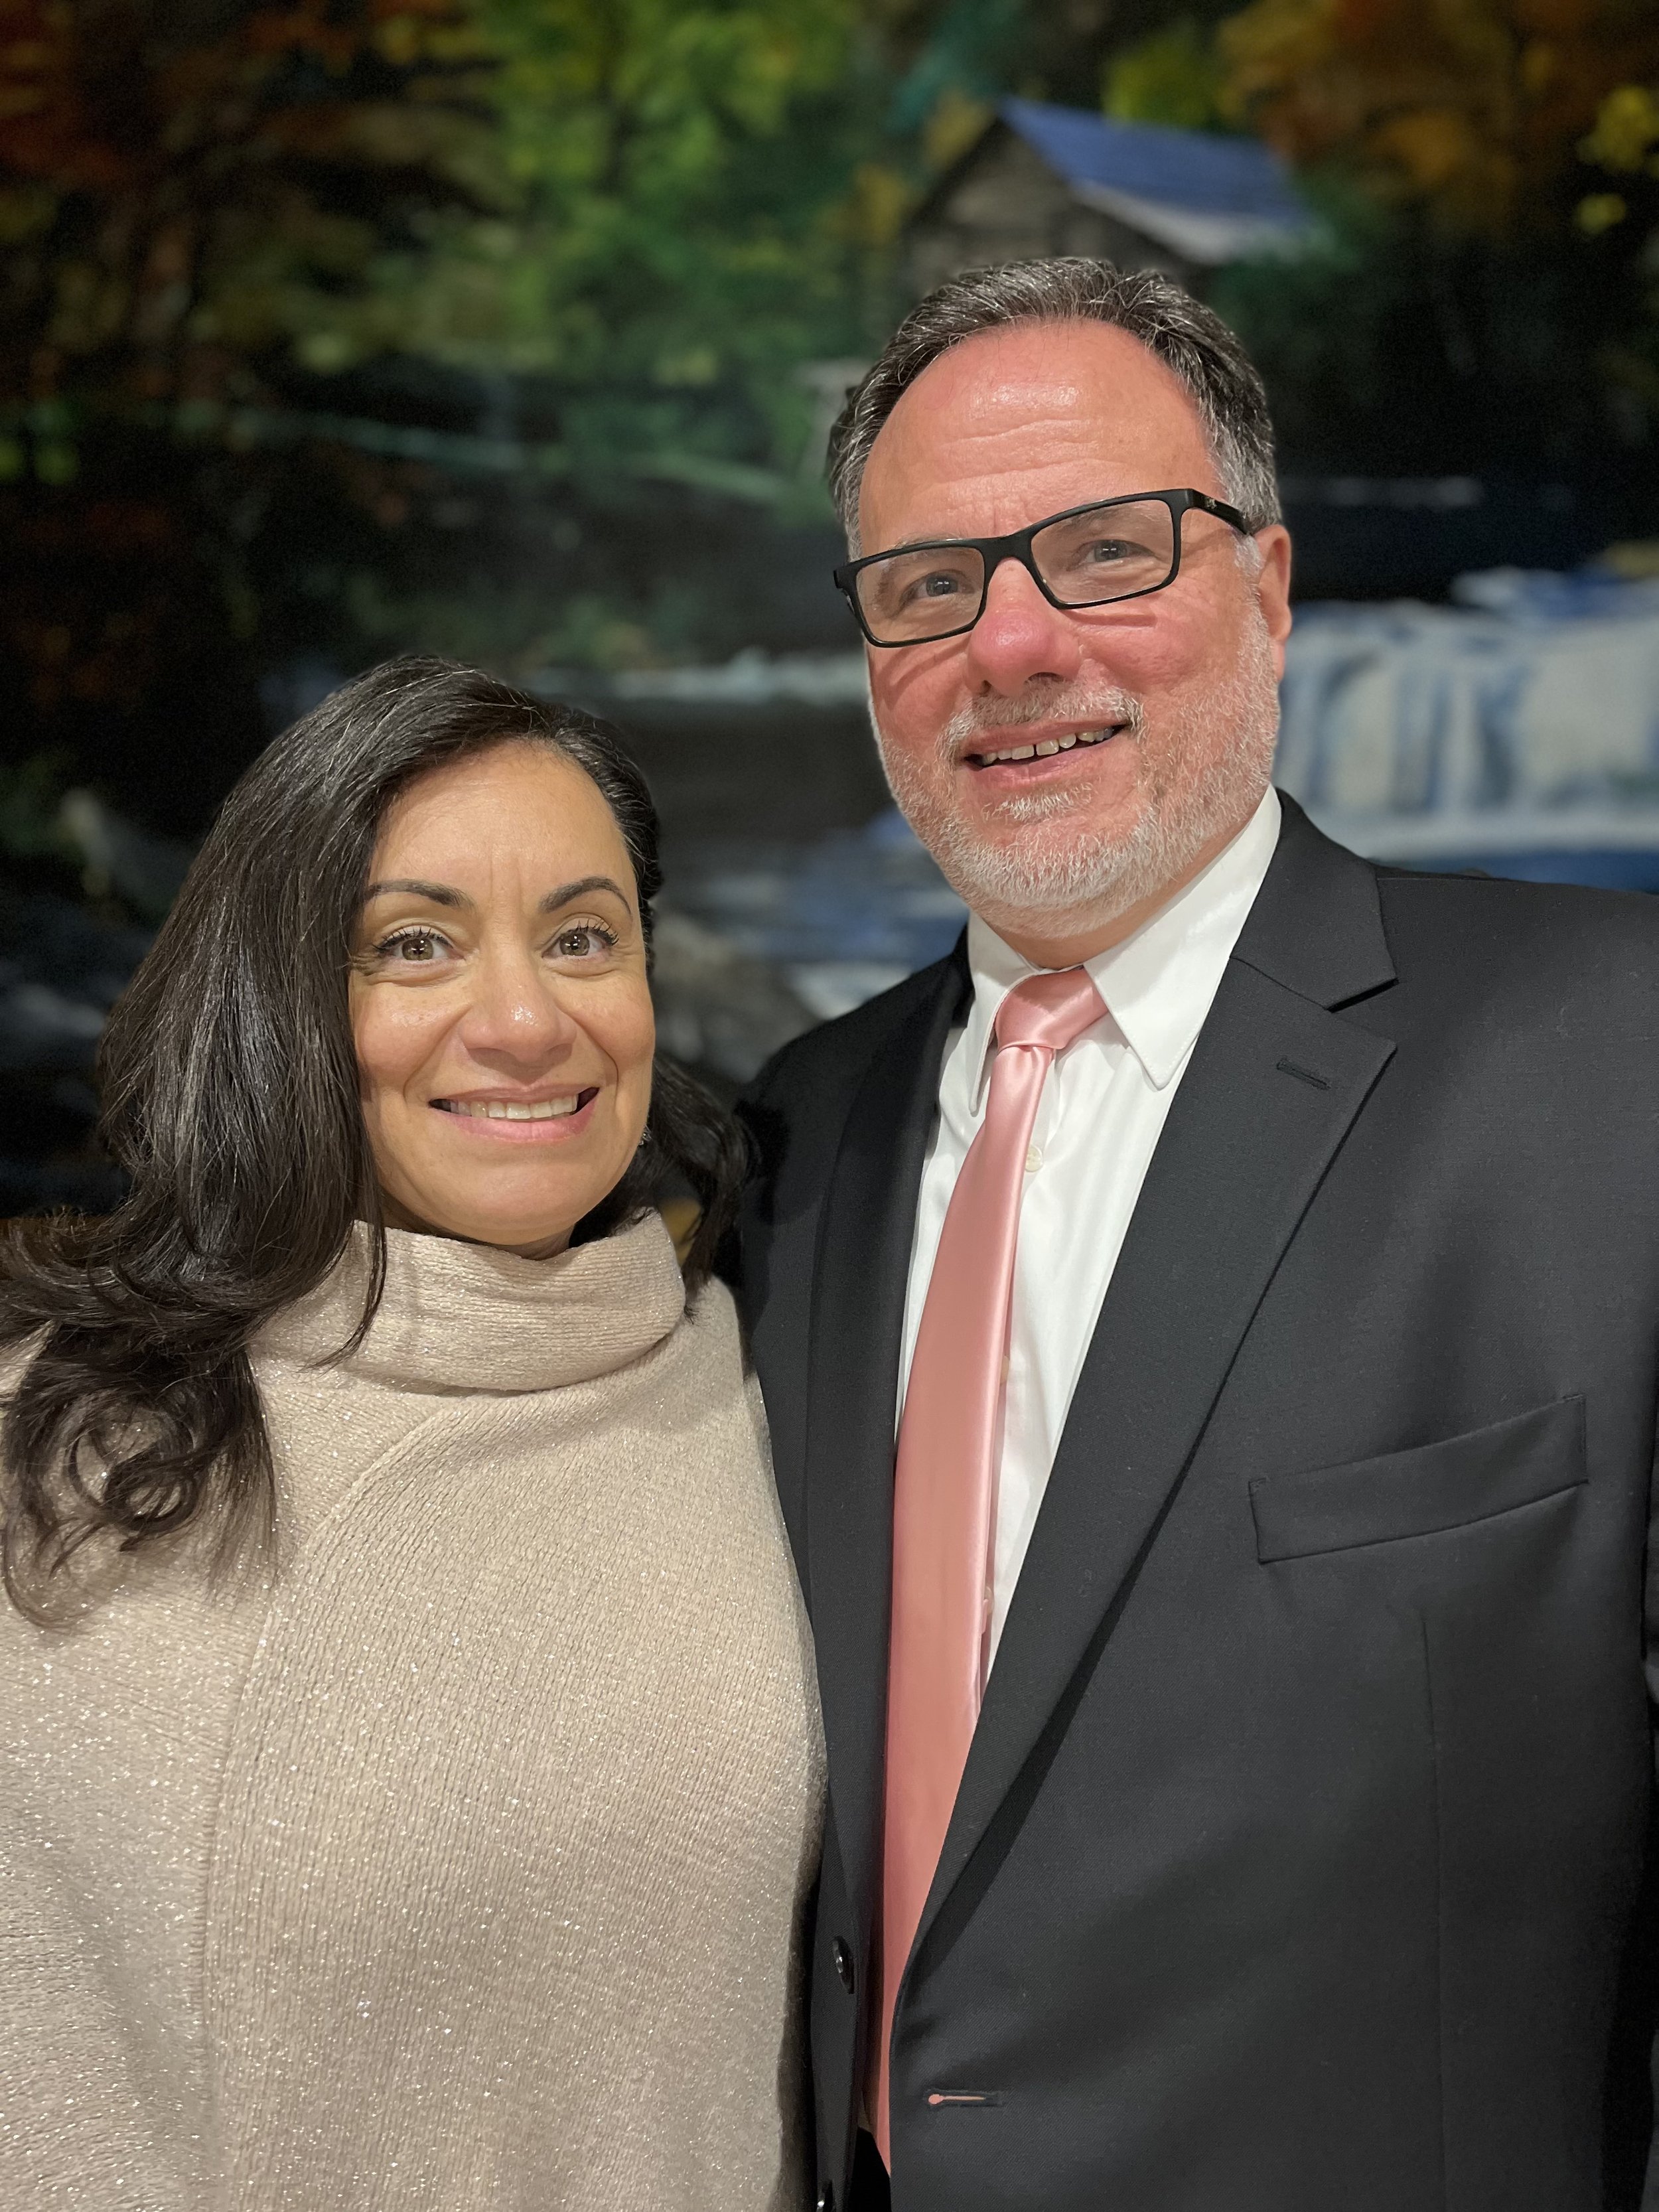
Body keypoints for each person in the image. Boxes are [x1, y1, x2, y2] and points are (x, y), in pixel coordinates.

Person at [734, 256, 1659, 2212]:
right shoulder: (792, 1132)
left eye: (1103, 548)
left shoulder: (1610, 1055)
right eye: (930, 585)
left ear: (1266, 588)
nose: (1010, 642)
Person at [0, 659, 824, 2211]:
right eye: (414, 944)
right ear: (284, 998)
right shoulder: (61, 1444)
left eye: (583, 935)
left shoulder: (757, 1368)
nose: (523, 1019)